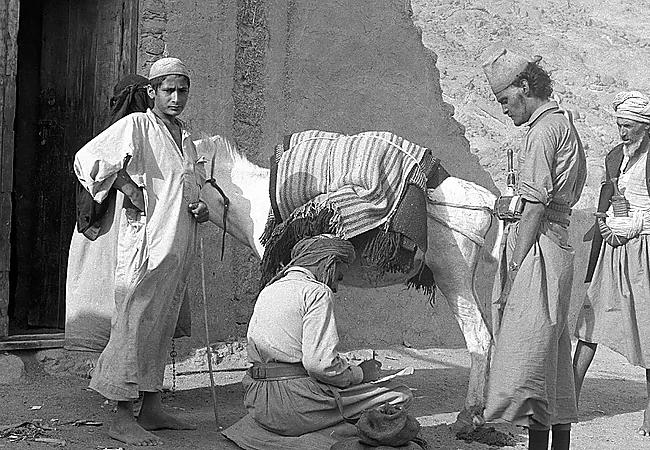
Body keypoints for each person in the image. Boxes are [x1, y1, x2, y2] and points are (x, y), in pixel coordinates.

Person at [73, 57, 209, 446]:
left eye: (182, 90)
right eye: (168, 90)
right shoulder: (137, 125)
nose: (176, 98)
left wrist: (200, 206)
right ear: (152, 91)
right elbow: (87, 158)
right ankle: (121, 416)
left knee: (160, 323)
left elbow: (190, 184)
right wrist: (128, 188)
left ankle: (151, 408)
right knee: (133, 323)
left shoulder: (185, 137)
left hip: (177, 245)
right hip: (145, 245)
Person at [481, 49, 587, 450]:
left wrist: (515, 264)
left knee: (526, 358)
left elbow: (536, 206)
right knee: (551, 357)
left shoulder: (542, 133)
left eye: (506, 100)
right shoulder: (564, 126)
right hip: (557, 242)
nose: (505, 110)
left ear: (524, 88)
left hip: (539, 246)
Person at [573, 91, 650, 437]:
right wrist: (609, 227)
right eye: (619, 126)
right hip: (614, 248)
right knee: (591, 321)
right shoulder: (616, 158)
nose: (622, 133)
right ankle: (570, 399)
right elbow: (606, 199)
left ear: (645, 128)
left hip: (649, 250)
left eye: (628, 127)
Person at [224, 234, 412, 447]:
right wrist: (360, 374)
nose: (336, 287)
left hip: (258, 403)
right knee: (399, 394)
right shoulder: (316, 292)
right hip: (292, 404)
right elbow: (320, 366)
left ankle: (283, 432)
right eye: (339, 277)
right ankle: (326, 435)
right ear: (329, 263)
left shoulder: (269, 289)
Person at [65, 74, 190, 354]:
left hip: (144, 222)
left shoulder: (166, 133)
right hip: (119, 221)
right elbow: (93, 163)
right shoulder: (131, 127)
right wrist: (130, 189)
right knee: (118, 285)